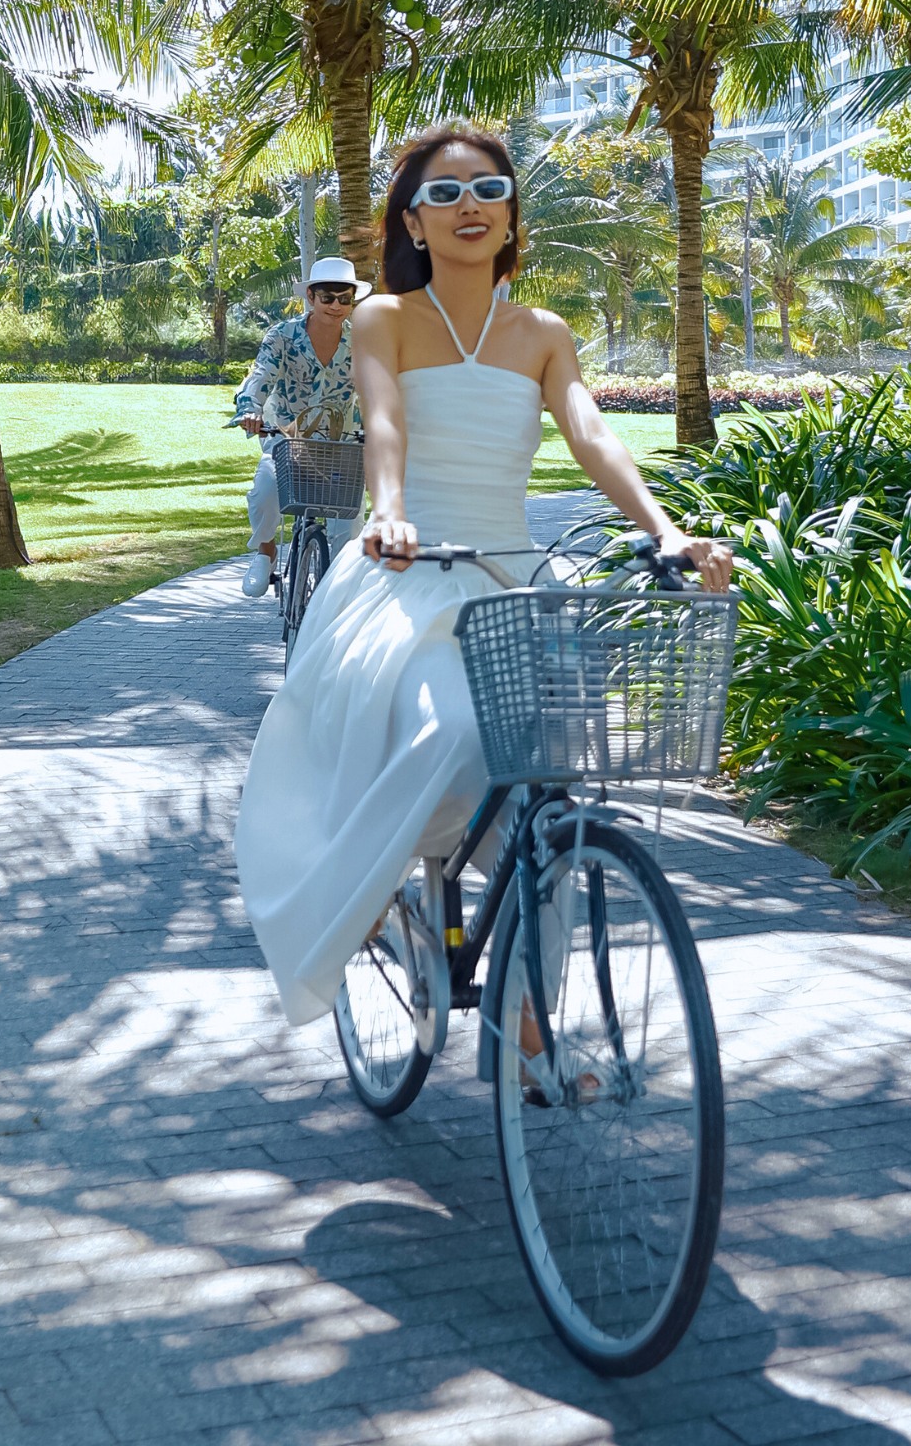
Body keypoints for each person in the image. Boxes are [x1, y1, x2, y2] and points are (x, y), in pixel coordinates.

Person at [235, 125, 733, 1026]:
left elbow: (591, 431)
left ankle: (531, 1017)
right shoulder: (385, 316)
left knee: (544, 795)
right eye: (445, 193)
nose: (471, 205)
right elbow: (384, 420)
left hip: (511, 579)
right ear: (414, 225)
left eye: (490, 191)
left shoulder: (543, 333)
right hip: (409, 571)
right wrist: (387, 511)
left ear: (511, 220)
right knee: (458, 733)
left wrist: (668, 531)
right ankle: (394, 886)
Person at [232, 256, 370, 598]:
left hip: (341, 445)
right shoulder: (282, 336)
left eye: (345, 299)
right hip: (288, 442)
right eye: (328, 298)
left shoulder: (364, 341)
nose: (336, 306)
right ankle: (265, 552)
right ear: (311, 297)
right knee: (265, 490)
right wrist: (251, 411)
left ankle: (333, 593)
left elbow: (376, 389)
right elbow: (259, 378)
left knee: (350, 523)